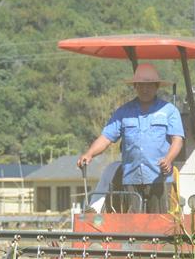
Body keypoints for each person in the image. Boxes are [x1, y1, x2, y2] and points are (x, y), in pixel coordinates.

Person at [77, 63, 184, 213]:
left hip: (159, 178)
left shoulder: (169, 111)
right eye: (140, 85)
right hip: (131, 177)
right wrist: (89, 154)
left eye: (149, 85)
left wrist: (168, 159)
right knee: (133, 222)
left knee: (160, 223)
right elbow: (106, 138)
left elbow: (177, 141)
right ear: (135, 86)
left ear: (156, 86)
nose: (145, 89)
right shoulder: (123, 112)